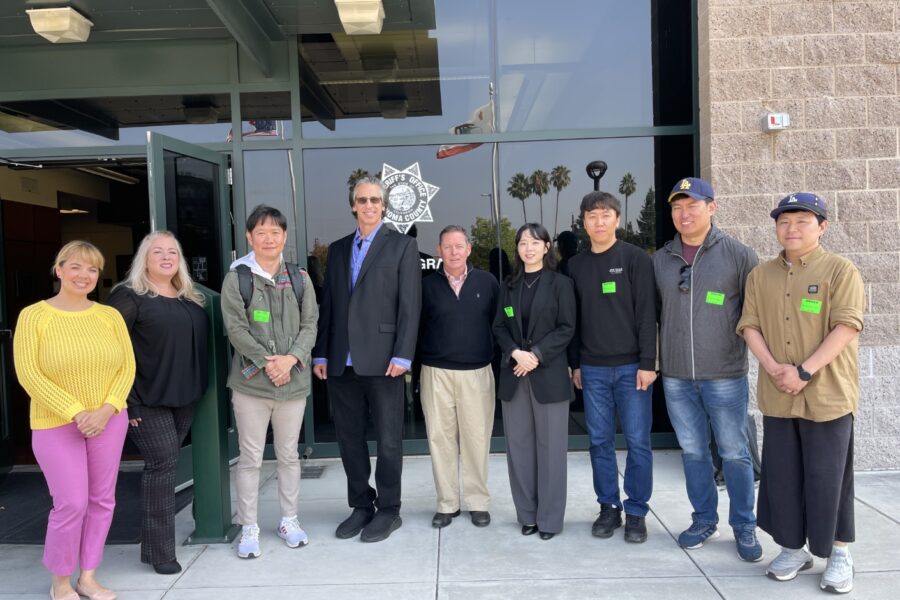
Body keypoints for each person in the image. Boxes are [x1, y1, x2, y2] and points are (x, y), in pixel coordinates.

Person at [737, 193, 864, 593]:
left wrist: (805, 370)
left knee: (830, 478)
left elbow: (847, 326)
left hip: (826, 395)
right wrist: (775, 368)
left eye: (802, 221)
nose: (791, 229)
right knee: (783, 477)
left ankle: (839, 553)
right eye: (784, 221)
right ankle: (793, 547)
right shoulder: (761, 275)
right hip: (779, 394)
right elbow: (749, 324)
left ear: (822, 226)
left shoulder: (840, 271)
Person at [13, 240, 135, 600]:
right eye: (76, 267)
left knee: (102, 499)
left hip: (109, 420)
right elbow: (29, 374)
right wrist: (77, 412)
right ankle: (60, 581)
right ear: (59, 269)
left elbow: (126, 367)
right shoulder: (34, 316)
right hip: (55, 423)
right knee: (71, 503)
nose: (84, 275)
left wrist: (107, 409)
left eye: (92, 269)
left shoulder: (108, 316)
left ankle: (89, 576)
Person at [652, 177, 762, 561]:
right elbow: (651, 316)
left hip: (726, 375)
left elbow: (755, 313)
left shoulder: (738, 255)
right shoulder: (661, 258)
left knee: (735, 453)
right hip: (678, 377)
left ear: (711, 208)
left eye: (692, 206)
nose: (684, 214)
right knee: (693, 451)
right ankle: (703, 519)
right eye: (677, 207)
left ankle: (744, 525)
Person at [312, 176, 421, 543]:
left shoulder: (402, 247)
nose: (369, 205)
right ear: (353, 205)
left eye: (376, 199)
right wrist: (322, 351)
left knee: (389, 441)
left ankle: (389, 509)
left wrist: (404, 354)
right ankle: (361, 505)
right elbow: (329, 304)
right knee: (349, 438)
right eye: (363, 200)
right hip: (342, 361)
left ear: (384, 205)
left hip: (385, 360)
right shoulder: (339, 248)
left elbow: (410, 305)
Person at [107, 231, 209, 575]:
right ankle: (159, 551)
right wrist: (128, 402)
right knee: (163, 466)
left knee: (166, 465)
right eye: (157, 252)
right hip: (146, 400)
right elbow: (111, 350)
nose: (166, 257)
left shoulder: (188, 297)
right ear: (144, 259)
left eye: (172, 252)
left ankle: (158, 544)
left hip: (184, 397)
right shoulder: (129, 296)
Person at [221, 205, 319, 558]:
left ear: (285, 237)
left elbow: (311, 324)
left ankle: (288, 520)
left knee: (289, 456)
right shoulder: (238, 279)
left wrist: (291, 359)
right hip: (251, 387)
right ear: (249, 237)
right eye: (260, 232)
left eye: (275, 232)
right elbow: (236, 329)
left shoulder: (299, 278)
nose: (268, 238)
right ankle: (249, 527)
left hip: (292, 385)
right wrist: (267, 362)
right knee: (250, 459)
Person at [568, 191, 657, 543]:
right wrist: (575, 364)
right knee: (600, 441)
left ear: (617, 219)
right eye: (592, 216)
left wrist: (648, 363)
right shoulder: (575, 265)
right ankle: (608, 507)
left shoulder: (635, 259)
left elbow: (647, 314)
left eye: (605, 215)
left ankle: (636, 511)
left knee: (638, 441)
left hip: (632, 367)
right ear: (584, 222)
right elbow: (572, 321)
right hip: (591, 369)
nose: (599, 222)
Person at [492, 223, 576, 541]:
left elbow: (567, 328)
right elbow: (499, 327)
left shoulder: (560, 284)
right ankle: (527, 515)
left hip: (548, 375)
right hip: (514, 376)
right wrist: (516, 352)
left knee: (551, 450)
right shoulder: (509, 285)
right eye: (523, 242)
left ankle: (550, 519)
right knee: (520, 448)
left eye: (535, 242)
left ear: (546, 247)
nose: (528, 248)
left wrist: (536, 355)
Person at [419, 225, 499, 528]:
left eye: (459, 246)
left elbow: (498, 325)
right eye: (447, 247)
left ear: (468, 249)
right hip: (436, 372)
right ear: (439, 251)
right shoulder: (426, 286)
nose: (453, 252)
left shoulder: (487, 283)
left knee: (477, 439)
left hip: (477, 372)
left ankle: (478, 502)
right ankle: (447, 503)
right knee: (440, 439)